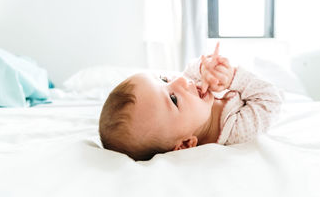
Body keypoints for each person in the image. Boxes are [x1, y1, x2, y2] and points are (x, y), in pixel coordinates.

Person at [99, 43, 283, 160]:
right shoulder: (236, 130)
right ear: (186, 144)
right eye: (173, 99)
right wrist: (233, 78)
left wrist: (208, 69)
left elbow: (191, 70)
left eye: (164, 79)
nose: (179, 81)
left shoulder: (192, 94)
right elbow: (270, 99)